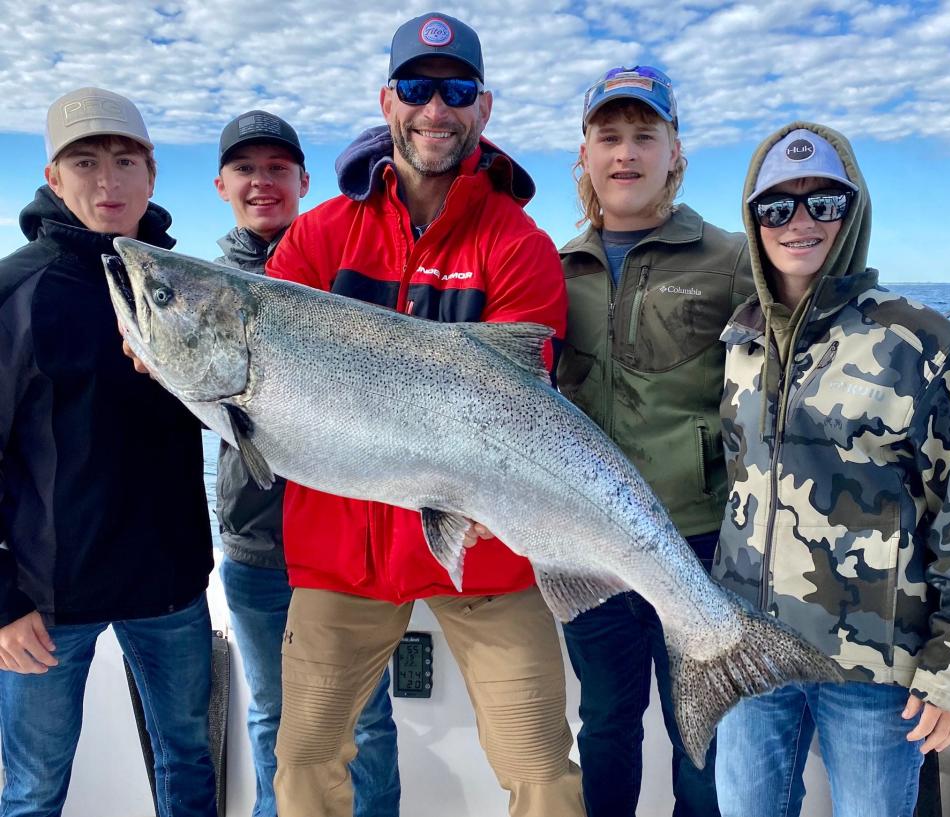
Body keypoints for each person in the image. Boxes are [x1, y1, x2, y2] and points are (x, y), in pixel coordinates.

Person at [264, 12, 585, 817]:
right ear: (386, 100)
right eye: (416, 87)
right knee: (304, 763)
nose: (434, 109)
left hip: (487, 552)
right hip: (342, 551)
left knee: (543, 769)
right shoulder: (317, 238)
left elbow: (516, 405)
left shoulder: (518, 245)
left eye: (455, 90)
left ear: (483, 106)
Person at [712, 122, 950, 816]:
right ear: (753, 220)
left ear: (852, 213)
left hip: (872, 667)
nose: (800, 222)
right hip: (748, 653)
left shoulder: (921, 340)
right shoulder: (740, 339)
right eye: (777, 206)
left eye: (823, 201)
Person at [0, 87, 216, 816]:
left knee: (187, 761)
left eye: (125, 160)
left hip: (173, 586)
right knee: (33, 788)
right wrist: (2, 601)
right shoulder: (15, 291)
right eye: (84, 161)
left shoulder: (187, 288)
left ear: (153, 175)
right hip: (48, 600)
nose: (107, 181)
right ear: (54, 179)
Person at [555, 66, 752, 817]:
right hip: (587, 551)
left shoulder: (730, 256)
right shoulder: (558, 266)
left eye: (645, 135)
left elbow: (816, 318)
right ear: (586, 155)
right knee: (605, 727)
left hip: (698, 542)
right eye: (610, 137)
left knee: (699, 737)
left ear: (676, 153)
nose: (626, 153)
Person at [212, 111, 401, 817]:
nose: (262, 182)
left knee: (367, 722)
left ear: (303, 181)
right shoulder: (207, 283)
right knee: (271, 716)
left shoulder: (344, 269)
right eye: (247, 169)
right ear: (223, 184)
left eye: (277, 169)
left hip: (351, 542)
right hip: (257, 546)